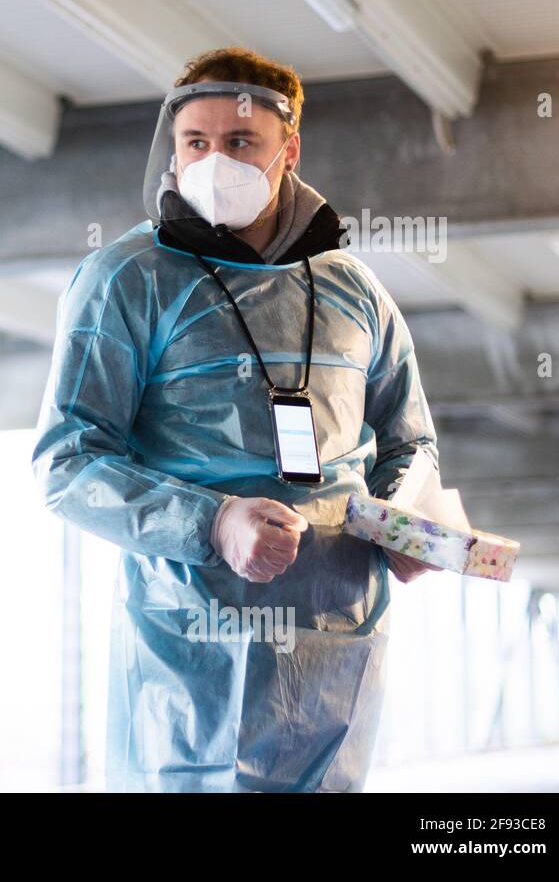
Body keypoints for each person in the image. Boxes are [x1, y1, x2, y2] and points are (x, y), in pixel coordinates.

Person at [31, 46, 441, 792]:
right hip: (189, 656)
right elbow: (67, 462)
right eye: (196, 143)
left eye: (240, 142)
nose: (214, 160)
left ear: (290, 150)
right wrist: (212, 523)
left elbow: (409, 440)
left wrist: (407, 524)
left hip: (336, 649)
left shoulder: (355, 290)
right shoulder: (127, 279)